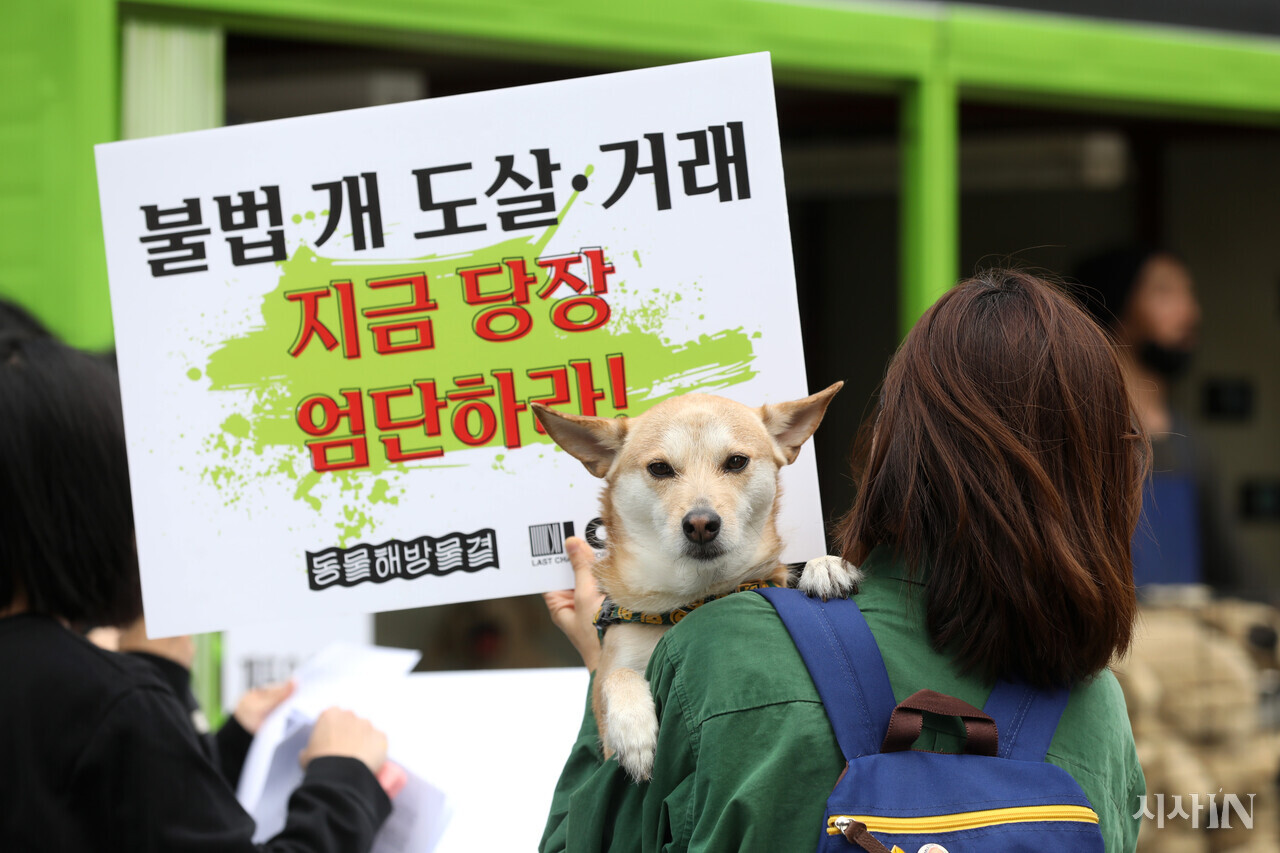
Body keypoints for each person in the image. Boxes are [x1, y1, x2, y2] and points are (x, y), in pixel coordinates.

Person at [540, 270, 1146, 852]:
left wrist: (607, 665)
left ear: (888, 447)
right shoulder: (1100, 712)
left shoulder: (715, 649)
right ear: (1112, 473)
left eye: (734, 464)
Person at [0, 331, 392, 852]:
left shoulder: (103, 697)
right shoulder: (108, 702)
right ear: (88, 500)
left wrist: (225, 744)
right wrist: (344, 784)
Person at [1072, 247, 1262, 597]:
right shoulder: (1076, 432)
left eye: (1189, 295)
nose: (1190, 312)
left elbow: (1230, 566)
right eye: (1164, 292)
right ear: (1116, 301)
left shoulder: (1191, 443)